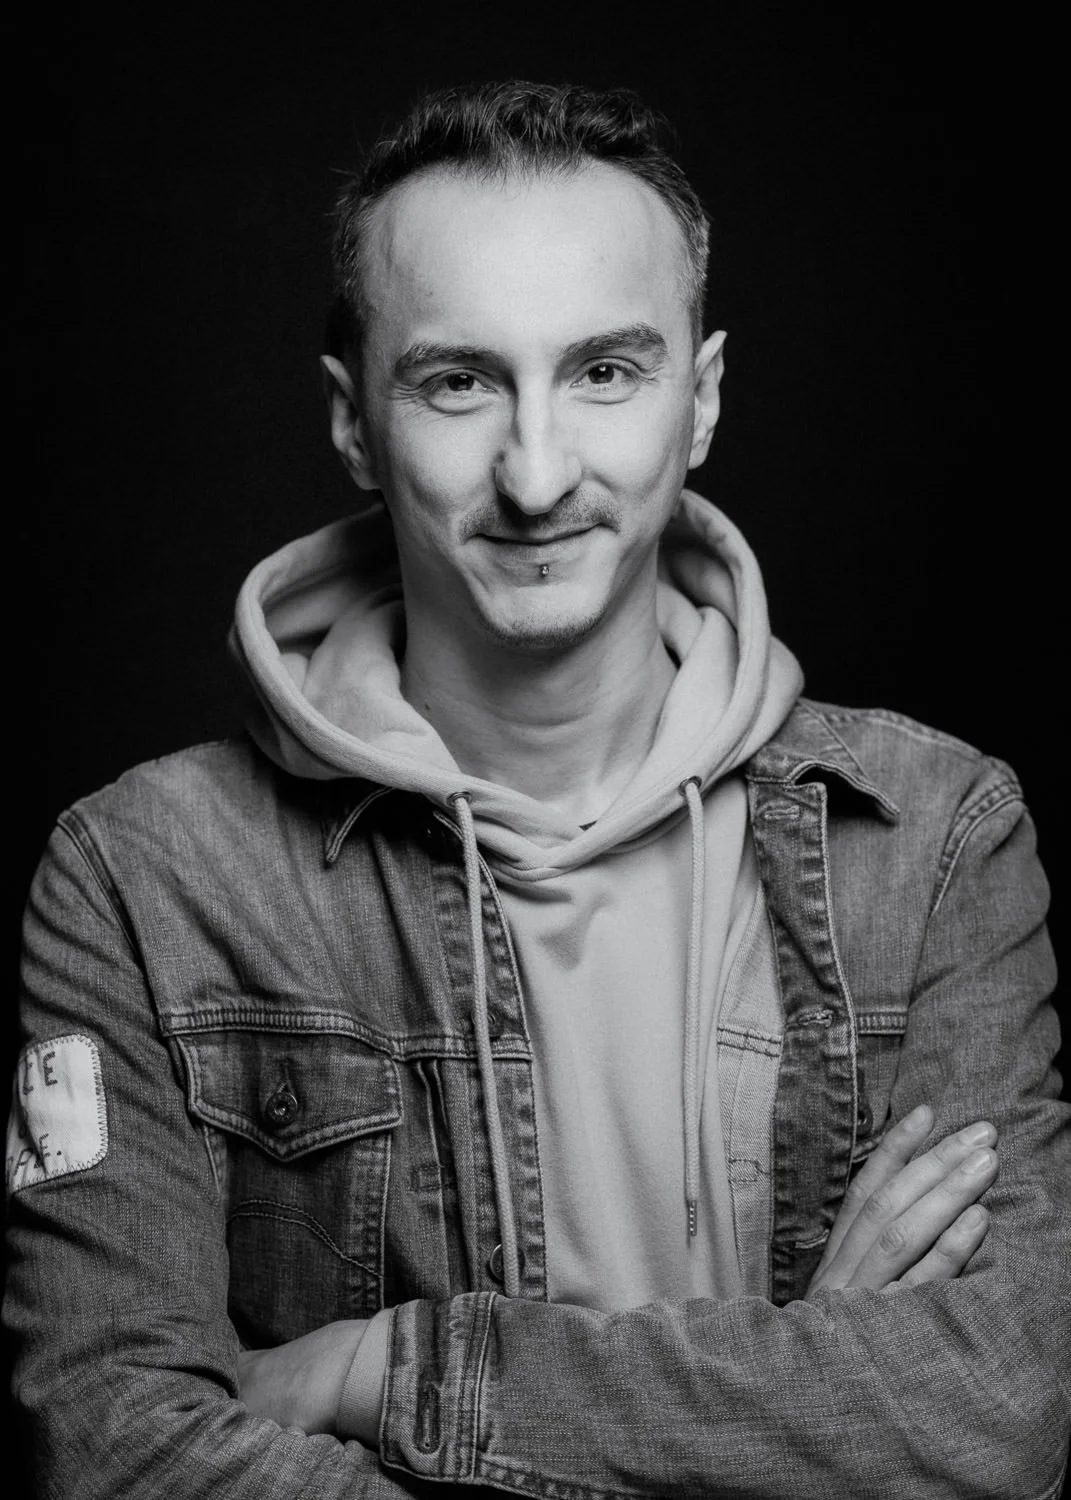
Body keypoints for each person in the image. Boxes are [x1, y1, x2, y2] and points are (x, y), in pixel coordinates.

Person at [5, 79, 1068, 1498]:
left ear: (698, 401)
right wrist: (807, 1377)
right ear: (349, 423)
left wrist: (382, 1369)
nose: (537, 470)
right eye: (458, 381)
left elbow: (993, 1419)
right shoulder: (142, 878)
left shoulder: (933, 841)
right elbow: (116, 1456)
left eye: (604, 373)